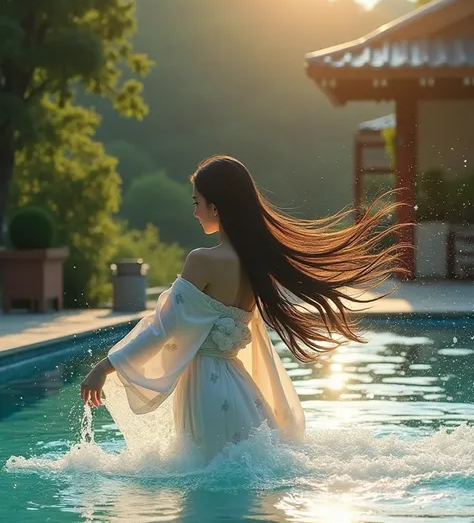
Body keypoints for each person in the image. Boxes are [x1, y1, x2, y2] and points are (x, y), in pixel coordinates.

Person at [80, 155, 399, 461]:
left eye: (197, 203)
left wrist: (104, 368)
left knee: (206, 496)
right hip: (243, 389)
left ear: (215, 207)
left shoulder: (202, 260)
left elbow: (163, 330)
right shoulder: (256, 263)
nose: (194, 212)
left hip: (205, 390)